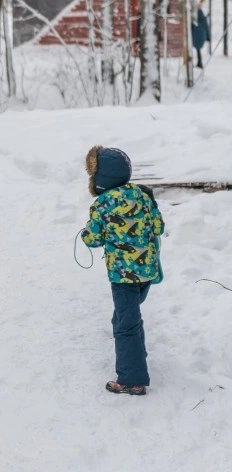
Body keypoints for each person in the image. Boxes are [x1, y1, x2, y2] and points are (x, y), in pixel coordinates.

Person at [80, 146, 164, 396]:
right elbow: (158, 227)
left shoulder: (102, 205)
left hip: (123, 276)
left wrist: (86, 233)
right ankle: (135, 354)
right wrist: (151, 204)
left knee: (126, 325)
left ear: (100, 179)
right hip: (146, 271)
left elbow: (92, 239)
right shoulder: (142, 195)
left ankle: (131, 379)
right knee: (127, 316)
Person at [190, 0, 210, 69]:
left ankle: (198, 63)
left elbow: (192, 25)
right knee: (198, 49)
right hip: (201, 35)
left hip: (196, 34)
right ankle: (199, 63)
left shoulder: (195, 15)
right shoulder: (201, 15)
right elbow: (206, 26)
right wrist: (208, 37)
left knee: (194, 49)